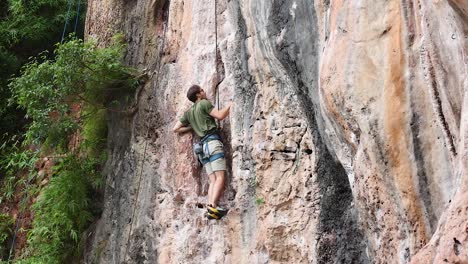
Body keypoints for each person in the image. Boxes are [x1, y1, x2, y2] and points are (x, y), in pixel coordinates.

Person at [173, 84, 232, 220]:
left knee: (212, 180)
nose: (204, 92)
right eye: (202, 90)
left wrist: (192, 128)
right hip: (212, 143)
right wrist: (230, 104)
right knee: (220, 177)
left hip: (202, 148)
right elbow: (220, 115)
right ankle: (213, 207)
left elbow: (176, 128)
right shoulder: (204, 103)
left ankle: (210, 207)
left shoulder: (189, 113)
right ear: (198, 95)